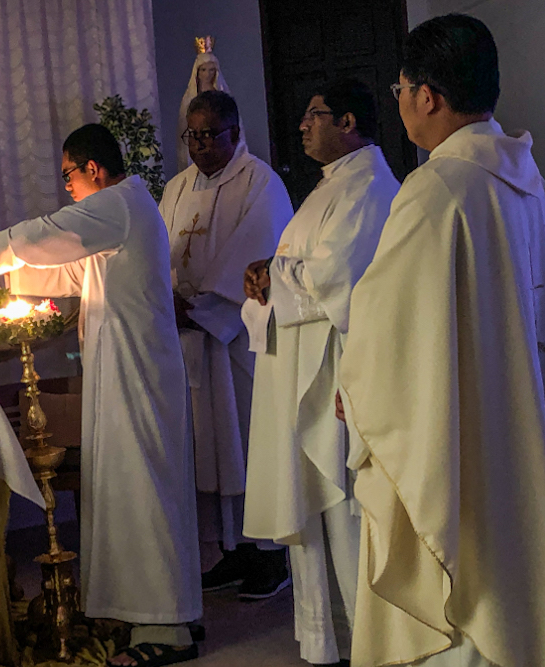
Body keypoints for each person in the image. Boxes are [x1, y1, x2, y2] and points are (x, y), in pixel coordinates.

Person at [0, 124, 201, 667]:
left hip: (139, 370)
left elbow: (47, 234)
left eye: (68, 176)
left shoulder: (119, 203)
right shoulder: (119, 214)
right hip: (124, 368)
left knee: (144, 488)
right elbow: (70, 274)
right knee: (129, 488)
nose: (68, 189)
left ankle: (169, 626)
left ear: (93, 171)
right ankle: (151, 612)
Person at [338, 14, 545, 667]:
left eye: (402, 88)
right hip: (515, 408)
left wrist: (355, 388)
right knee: (507, 539)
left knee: (450, 542)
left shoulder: (436, 188)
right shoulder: (525, 181)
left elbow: (385, 321)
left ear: (427, 95)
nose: (401, 102)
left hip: (450, 417)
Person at [241, 79, 399, 666]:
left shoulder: (372, 187)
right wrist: (266, 276)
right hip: (298, 369)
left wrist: (275, 275)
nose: (303, 125)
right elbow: (297, 269)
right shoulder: (326, 189)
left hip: (334, 372)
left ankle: (365, 642)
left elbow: (337, 281)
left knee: (344, 510)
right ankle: (324, 641)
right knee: (311, 513)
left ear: (349, 121)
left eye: (315, 115)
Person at [160, 90, 293, 600]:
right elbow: (161, 249)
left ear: (235, 133)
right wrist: (166, 298)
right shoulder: (175, 189)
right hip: (192, 340)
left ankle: (271, 554)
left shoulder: (261, 182)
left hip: (239, 337)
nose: (200, 145)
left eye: (211, 134)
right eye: (193, 135)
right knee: (211, 448)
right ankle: (233, 548)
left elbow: (259, 248)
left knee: (248, 440)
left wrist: (199, 308)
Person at [176, 37, 232, 174]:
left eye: (211, 70)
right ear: (197, 72)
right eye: (203, 70)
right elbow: (185, 128)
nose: (207, 74)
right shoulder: (190, 99)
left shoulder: (222, 96)